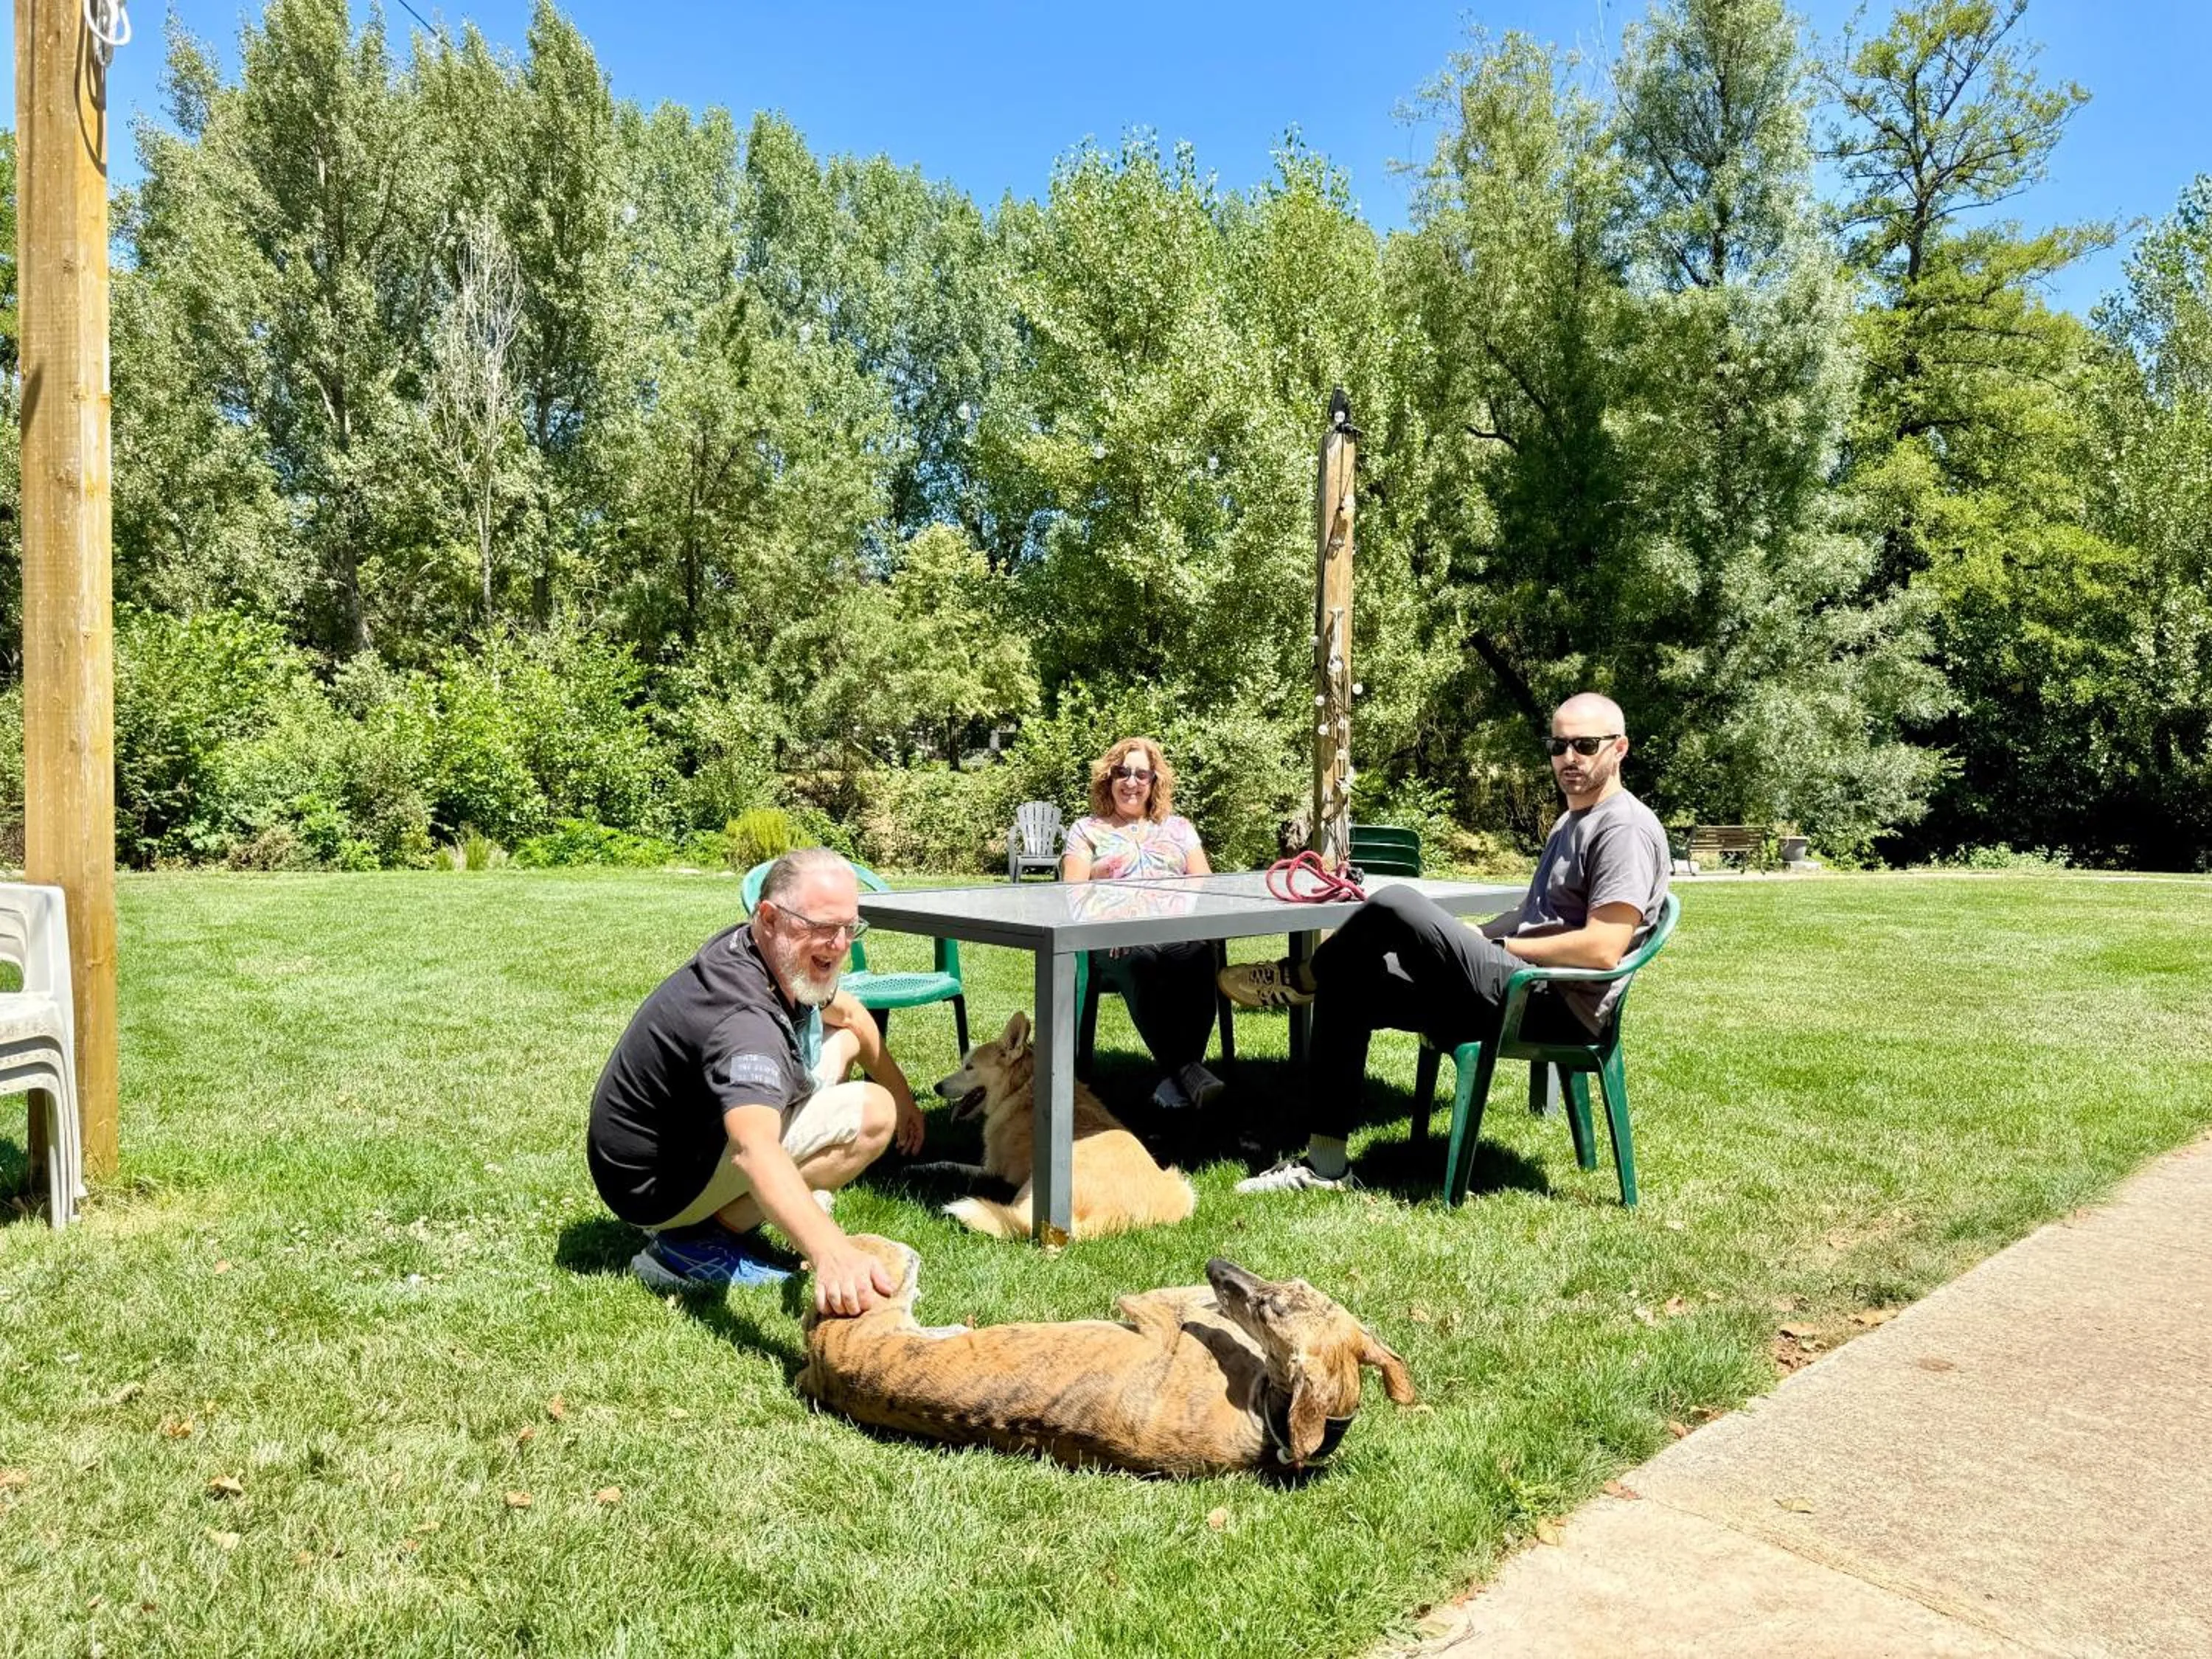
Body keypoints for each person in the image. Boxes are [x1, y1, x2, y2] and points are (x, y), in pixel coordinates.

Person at [1218, 692, 1669, 1193]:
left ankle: (1299, 978)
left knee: (1396, 903)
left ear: (1620, 748)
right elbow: (1531, 914)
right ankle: (1326, 1168)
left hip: (1550, 1004)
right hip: (1516, 986)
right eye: (1557, 745)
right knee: (1352, 982)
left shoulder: (1622, 829)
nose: (1569, 759)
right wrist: (1481, 935)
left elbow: (1603, 947)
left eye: (1585, 746)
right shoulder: (1570, 821)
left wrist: (1508, 951)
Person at [586, 847, 924, 1311]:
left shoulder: (767, 953)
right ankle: (692, 1246)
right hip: (655, 1188)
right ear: (768, 917)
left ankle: (750, 1211)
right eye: (824, 927)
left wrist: (906, 1097)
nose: (841, 944)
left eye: (850, 928)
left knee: (845, 1043)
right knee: (872, 1115)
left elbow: (852, 1016)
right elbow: (754, 1149)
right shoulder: (745, 1020)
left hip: (673, 1145)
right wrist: (832, 1253)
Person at [1062, 736, 1228, 1114]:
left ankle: (1177, 1078)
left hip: (1174, 929)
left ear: (1155, 782)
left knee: (1203, 953)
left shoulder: (1179, 828)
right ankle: (1188, 1072)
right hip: (1112, 935)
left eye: (1141, 774)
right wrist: (1096, 877)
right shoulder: (1086, 830)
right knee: (1141, 960)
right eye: (1122, 773)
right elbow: (1070, 893)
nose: (1131, 782)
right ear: (1108, 779)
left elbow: (1205, 883)